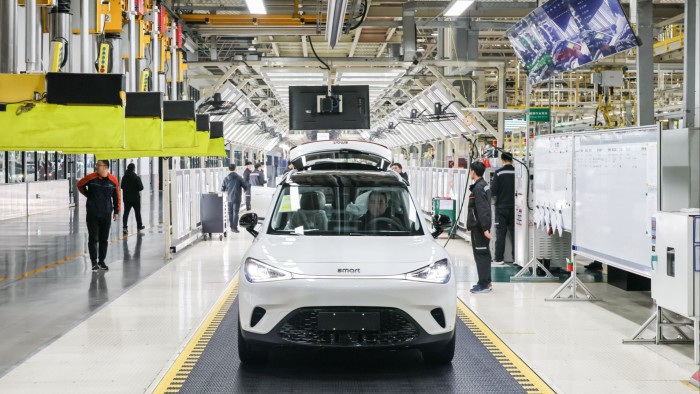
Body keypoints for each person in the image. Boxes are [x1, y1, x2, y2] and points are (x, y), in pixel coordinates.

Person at [77, 160, 120, 271]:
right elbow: (80, 184)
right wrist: (88, 195)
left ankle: (101, 261)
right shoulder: (90, 178)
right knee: (93, 238)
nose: (96, 167)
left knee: (104, 239)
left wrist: (116, 211)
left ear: (105, 167)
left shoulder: (113, 181)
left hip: (106, 214)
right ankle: (94, 262)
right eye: (96, 165)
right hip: (93, 213)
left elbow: (116, 197)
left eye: (98, 166)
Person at [467, 161, 493, 293]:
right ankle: (486, 281)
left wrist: (485, 229)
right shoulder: (483, 185)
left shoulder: (478, 188)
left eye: (470, 170)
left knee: (481, 254)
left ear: (473, 171)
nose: (469, 172)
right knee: (484, 254)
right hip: (480, 226)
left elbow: (483, 210)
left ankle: (483, 285)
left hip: (479, 228)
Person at [490, 152, 515, 265]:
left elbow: (493, 190)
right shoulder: (517, 172)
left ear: (502, 160)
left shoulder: (498, 173)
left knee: (501, 233)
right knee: (515, 233)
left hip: (501, 207)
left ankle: (499, 258)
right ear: (512, 160)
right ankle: (516, 258)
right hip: (515, 207)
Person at [221, 164, 250, 233]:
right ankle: (234, 228)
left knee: (230, 213)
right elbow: (246, 186)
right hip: (237, 198)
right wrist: (245, 191)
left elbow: (222, 189)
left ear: (229, 169)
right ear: (236, 169)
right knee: (235, 213)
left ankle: (231, 226)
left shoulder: (226, 178)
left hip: (229, 198)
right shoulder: (239, 177)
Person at [120, 162, 145, 235]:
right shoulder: (136, 177)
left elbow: (121, 186)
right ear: (134, 169)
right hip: (135, 199)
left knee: (126, 213)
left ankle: (125, 227)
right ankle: (139, 226)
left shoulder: (124, 177)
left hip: (127, 198)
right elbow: (141, 188)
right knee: (137, 213)